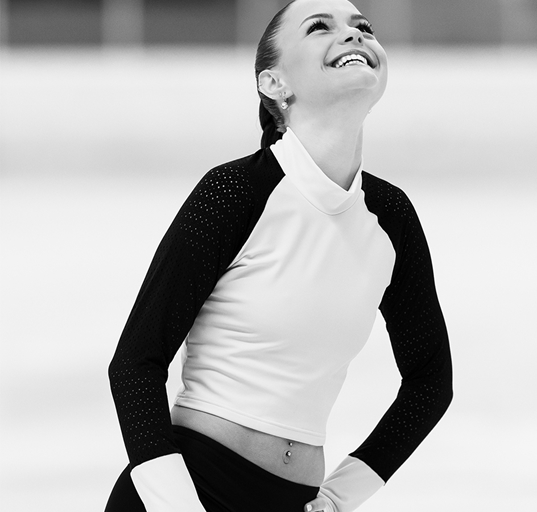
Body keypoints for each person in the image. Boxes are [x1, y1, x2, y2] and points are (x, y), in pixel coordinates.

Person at [105, 0, 453, 510]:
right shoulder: (234, 193)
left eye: (364, 27)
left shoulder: (390, 216)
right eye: (320, 27)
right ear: (274, 84)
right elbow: (135, 364)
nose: (354, 36)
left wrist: (339, 496)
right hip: (190, 488)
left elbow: (430, 380)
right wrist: (177, 504)